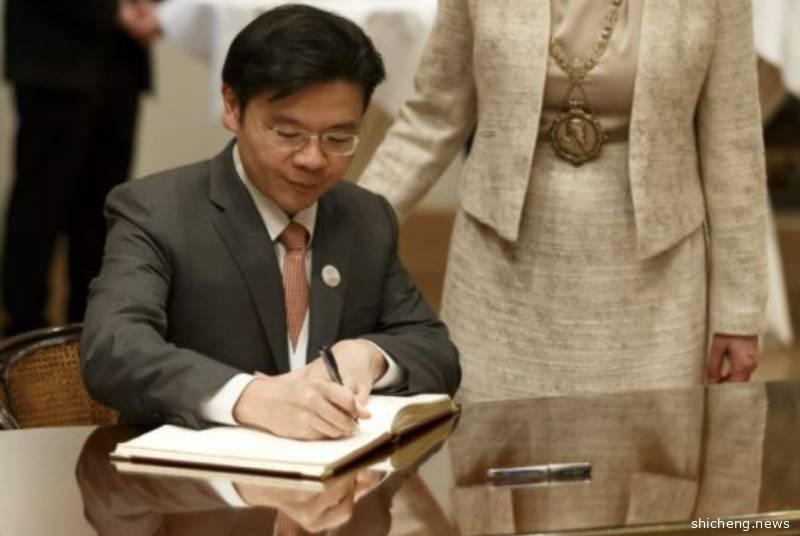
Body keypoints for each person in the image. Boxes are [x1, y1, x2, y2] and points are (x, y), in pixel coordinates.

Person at [80, 5, 461, 438]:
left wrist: (371, 355)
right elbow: (113, 348)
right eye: (288, 134)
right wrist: (248, 396)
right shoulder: (157, 211)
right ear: (232, 106)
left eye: (339, 138)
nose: (313, 158)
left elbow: (435, 350)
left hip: (338, 473)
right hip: (194, 474)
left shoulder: (365, 216)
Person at [359, 0, 767, 401]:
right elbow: (433, 116)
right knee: (491, 441)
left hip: (657, 284)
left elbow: (734, 147)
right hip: (501, 276)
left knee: (647, 441)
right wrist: (344, 226)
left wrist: (739, 315)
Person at [2, 0, 161, 335]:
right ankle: (24, 331)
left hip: (121, 58)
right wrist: (114, 10)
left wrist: (153, 9)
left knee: (104, 201)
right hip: (53, 50)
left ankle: (88, 325)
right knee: (41, 198)